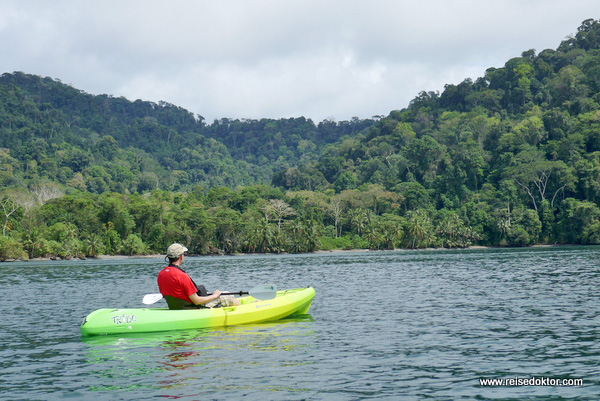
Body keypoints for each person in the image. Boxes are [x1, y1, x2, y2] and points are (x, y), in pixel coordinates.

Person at [157, 243, 240, 310]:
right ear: (181, 257)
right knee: (226, 294)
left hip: (176, 307)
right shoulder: (181, 276)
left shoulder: (161, 274)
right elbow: (197, 301)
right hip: (192, 309)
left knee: (213, 295)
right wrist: (215, 295)